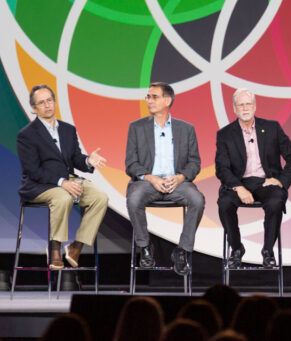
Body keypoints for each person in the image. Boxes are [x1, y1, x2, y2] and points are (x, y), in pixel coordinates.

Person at [17, 84, 109, 270]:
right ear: (34, 109)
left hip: (68, 180)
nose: (47, 105)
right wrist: (61, 183)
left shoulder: (68, 129)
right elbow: (33, 170)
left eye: (50, 100)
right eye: (41, 103)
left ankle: (76, 246)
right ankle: (54, 248)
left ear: (55, 102)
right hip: (39, 186)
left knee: (100, 198)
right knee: (63, 197)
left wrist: (88, 161)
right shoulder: (26, 135)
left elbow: (75, 158)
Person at [125, 81, 205, 276]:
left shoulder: (186, 129)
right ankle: (144, 247)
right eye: (148, 97)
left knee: (197, 200)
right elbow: (131, 164)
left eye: (154, 97)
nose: (149, 101)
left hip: (176, 183)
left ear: (167, 100)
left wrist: (180, 178)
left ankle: (182, 251)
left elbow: (195, 163)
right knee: (134, 200)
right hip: (147, 183)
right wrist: (151, 178)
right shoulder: (136, 127)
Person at [215, 88, 291, 268]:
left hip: (266, 182)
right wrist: (239, 188)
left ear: (254, 106)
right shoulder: (225, 134)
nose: (245, 108)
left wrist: (281, 181)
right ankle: (237, 249)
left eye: (248, 104)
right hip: (239, 182)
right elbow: (221, 168)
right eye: (241, 105)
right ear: (234, 108)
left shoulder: (272, 128)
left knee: (276, 201)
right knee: (224, 204)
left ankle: (268, 251)